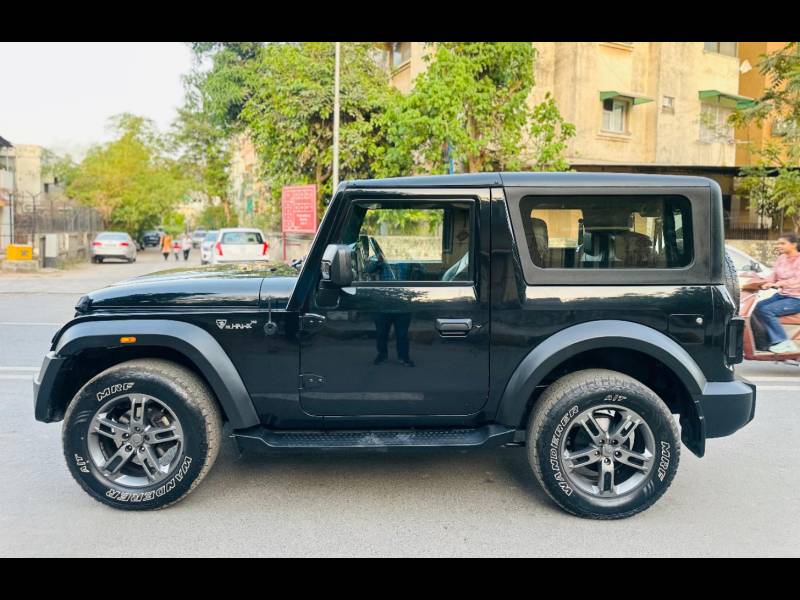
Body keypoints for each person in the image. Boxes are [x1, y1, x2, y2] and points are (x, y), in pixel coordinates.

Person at [752, 232, 800, 353]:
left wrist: (777, 284)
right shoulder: (781, 258)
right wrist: (761, 281)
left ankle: (784, 342)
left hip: (796, 298)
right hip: (782, 295)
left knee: (767, 310)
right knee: (756, 307)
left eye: (783, 243)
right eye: (778, 243)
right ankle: (766, 341)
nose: (779, 246)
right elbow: (773, 275)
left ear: (794, 244)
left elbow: (797, 281)